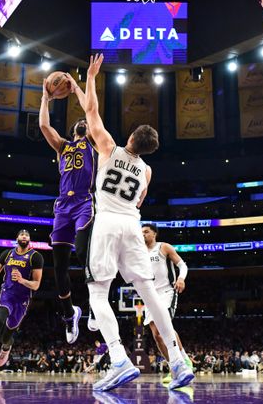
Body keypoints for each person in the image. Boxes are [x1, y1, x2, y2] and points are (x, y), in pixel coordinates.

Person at [78, 54, 194, 392]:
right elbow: (140, 200)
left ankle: (119, 360)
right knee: (148, 293)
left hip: (107, 222)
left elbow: (91, 113)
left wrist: (89, 78)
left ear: (131, 136)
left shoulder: (110, 149)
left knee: (98, 292)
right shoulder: (147, 171)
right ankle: (177, 359)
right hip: (132, 224)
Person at [39, 77, 95, 343]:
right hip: (63, 206)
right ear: (74, 129)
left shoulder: (93, 142)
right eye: (80, 124)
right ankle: (69, 313)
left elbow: (90, 110)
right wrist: (44, 97)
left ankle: (95, 305)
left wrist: (75, 89)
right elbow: (43, 125)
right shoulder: (63, 146)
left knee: (84, 253)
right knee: (59, 266)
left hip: (84, 202)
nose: (83, 124)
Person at [0, 230, 43, 380]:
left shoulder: (36, 257)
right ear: (17, 238)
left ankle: (6, 348)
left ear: (29, 240)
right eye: (21, 235)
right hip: (6, 295)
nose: (24, 236)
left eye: (27, 235)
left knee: (7, 336)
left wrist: (22, 280)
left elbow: (36, 284)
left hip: (22, 300)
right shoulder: (7, 254)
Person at [141, 223, 192, 383]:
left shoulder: (163, 247)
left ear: (154, 234)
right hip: (149, 297)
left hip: (166, 292)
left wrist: (181, 278)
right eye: (141, 232)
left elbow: (182, 265)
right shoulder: (139, 252)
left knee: (165, 328)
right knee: (157, 335)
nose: (143, 234)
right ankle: (173, 367)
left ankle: (184, 361)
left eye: (146, 232)